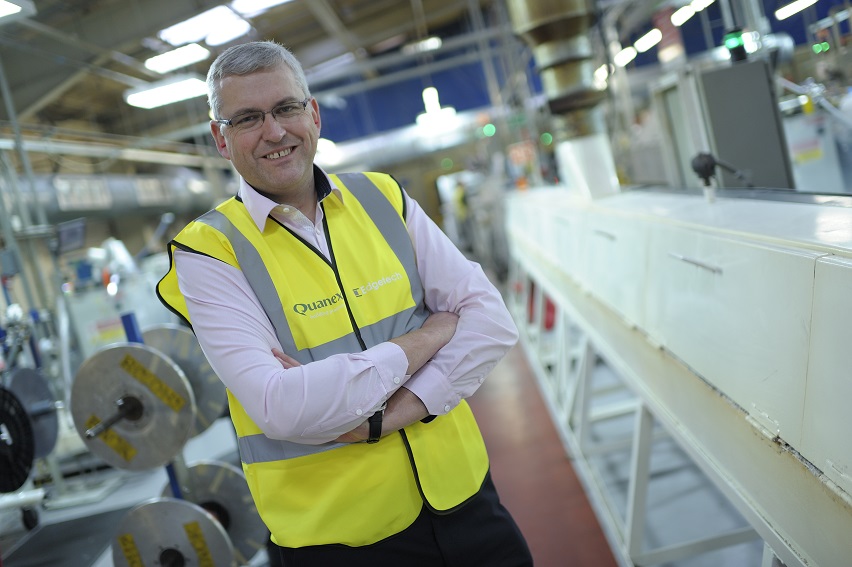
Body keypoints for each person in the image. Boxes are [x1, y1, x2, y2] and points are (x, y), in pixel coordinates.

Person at [157, 40, 532, 567]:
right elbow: (279, 405)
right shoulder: (209, 252)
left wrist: (396, 412)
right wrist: (427, 336)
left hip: (465, 501)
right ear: (221, 139)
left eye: (286, 108)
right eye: (247, 119)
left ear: (312, 113)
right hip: (337, 539)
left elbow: (490, 321)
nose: (274, 131)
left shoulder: (382, 197)